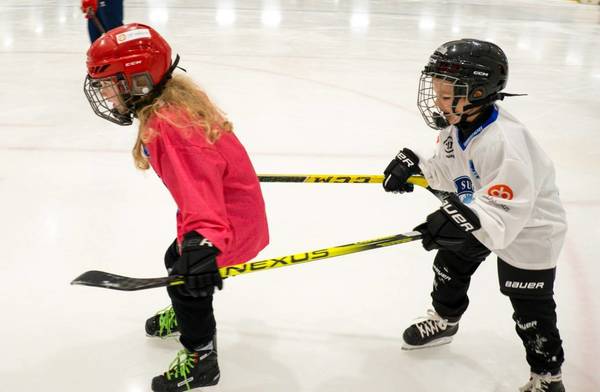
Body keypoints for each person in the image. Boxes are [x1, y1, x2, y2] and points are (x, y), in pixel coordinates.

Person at [83, 23, 269, 391]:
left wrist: (204, 243)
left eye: (109, 83)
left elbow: (199, 190)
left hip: (225, 225)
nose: (105, 93)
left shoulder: (170, 127)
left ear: (137, 81)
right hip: (226, 213)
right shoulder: (173, 101)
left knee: (186, 281)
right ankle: (187, 313)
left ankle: (201, 358)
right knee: (174, 260)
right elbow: (205, 173)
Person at [382, 39, 567, 392]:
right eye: (435, 89)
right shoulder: (457, 126)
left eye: (446, 92)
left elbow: (505, 213)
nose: (436, 99)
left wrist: (456, 218)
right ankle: (445, 321)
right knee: (448, 268)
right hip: (482, 212)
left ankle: (547, 377)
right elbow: (452, 172)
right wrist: (416, 163)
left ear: (479, 92)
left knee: (531, 313)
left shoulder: (505, 142)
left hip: (529, 229)